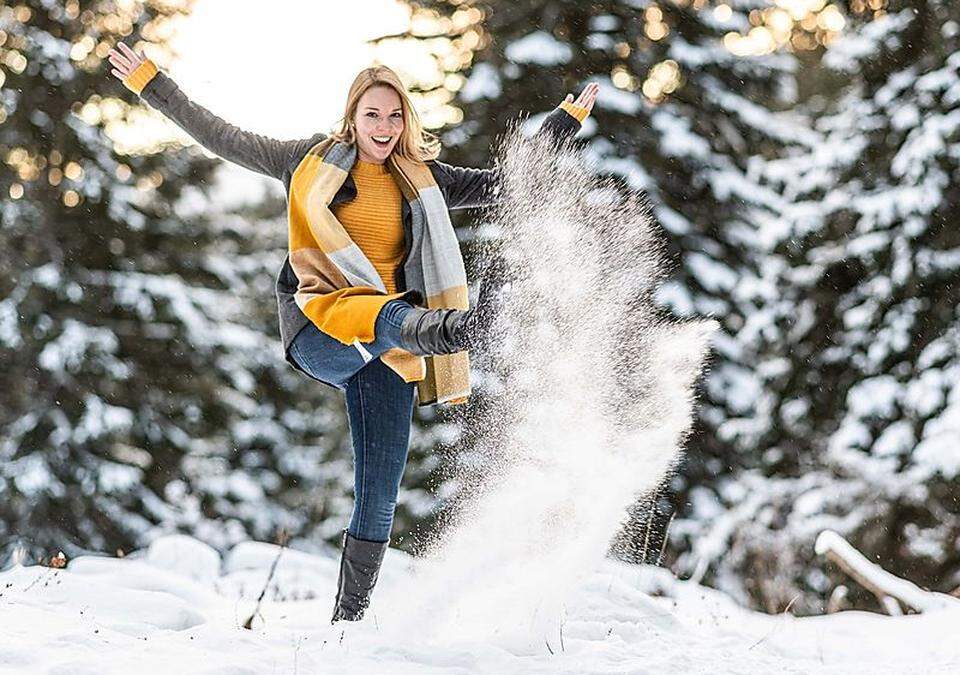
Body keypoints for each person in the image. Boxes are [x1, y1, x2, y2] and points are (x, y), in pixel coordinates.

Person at [107, 42, 598, 623]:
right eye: (373, 115)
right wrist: (152, 84)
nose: (384, 127)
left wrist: (562, 125)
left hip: (391, 344)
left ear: (406, 121)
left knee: (380, 495)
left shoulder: (424, 179)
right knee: (375, 312)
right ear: (353, 117)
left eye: (395, 116)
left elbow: (504, 183)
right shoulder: (307, 161)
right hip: (320, 324)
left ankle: (347, 625)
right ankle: (458, 330)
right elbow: (222, 136)